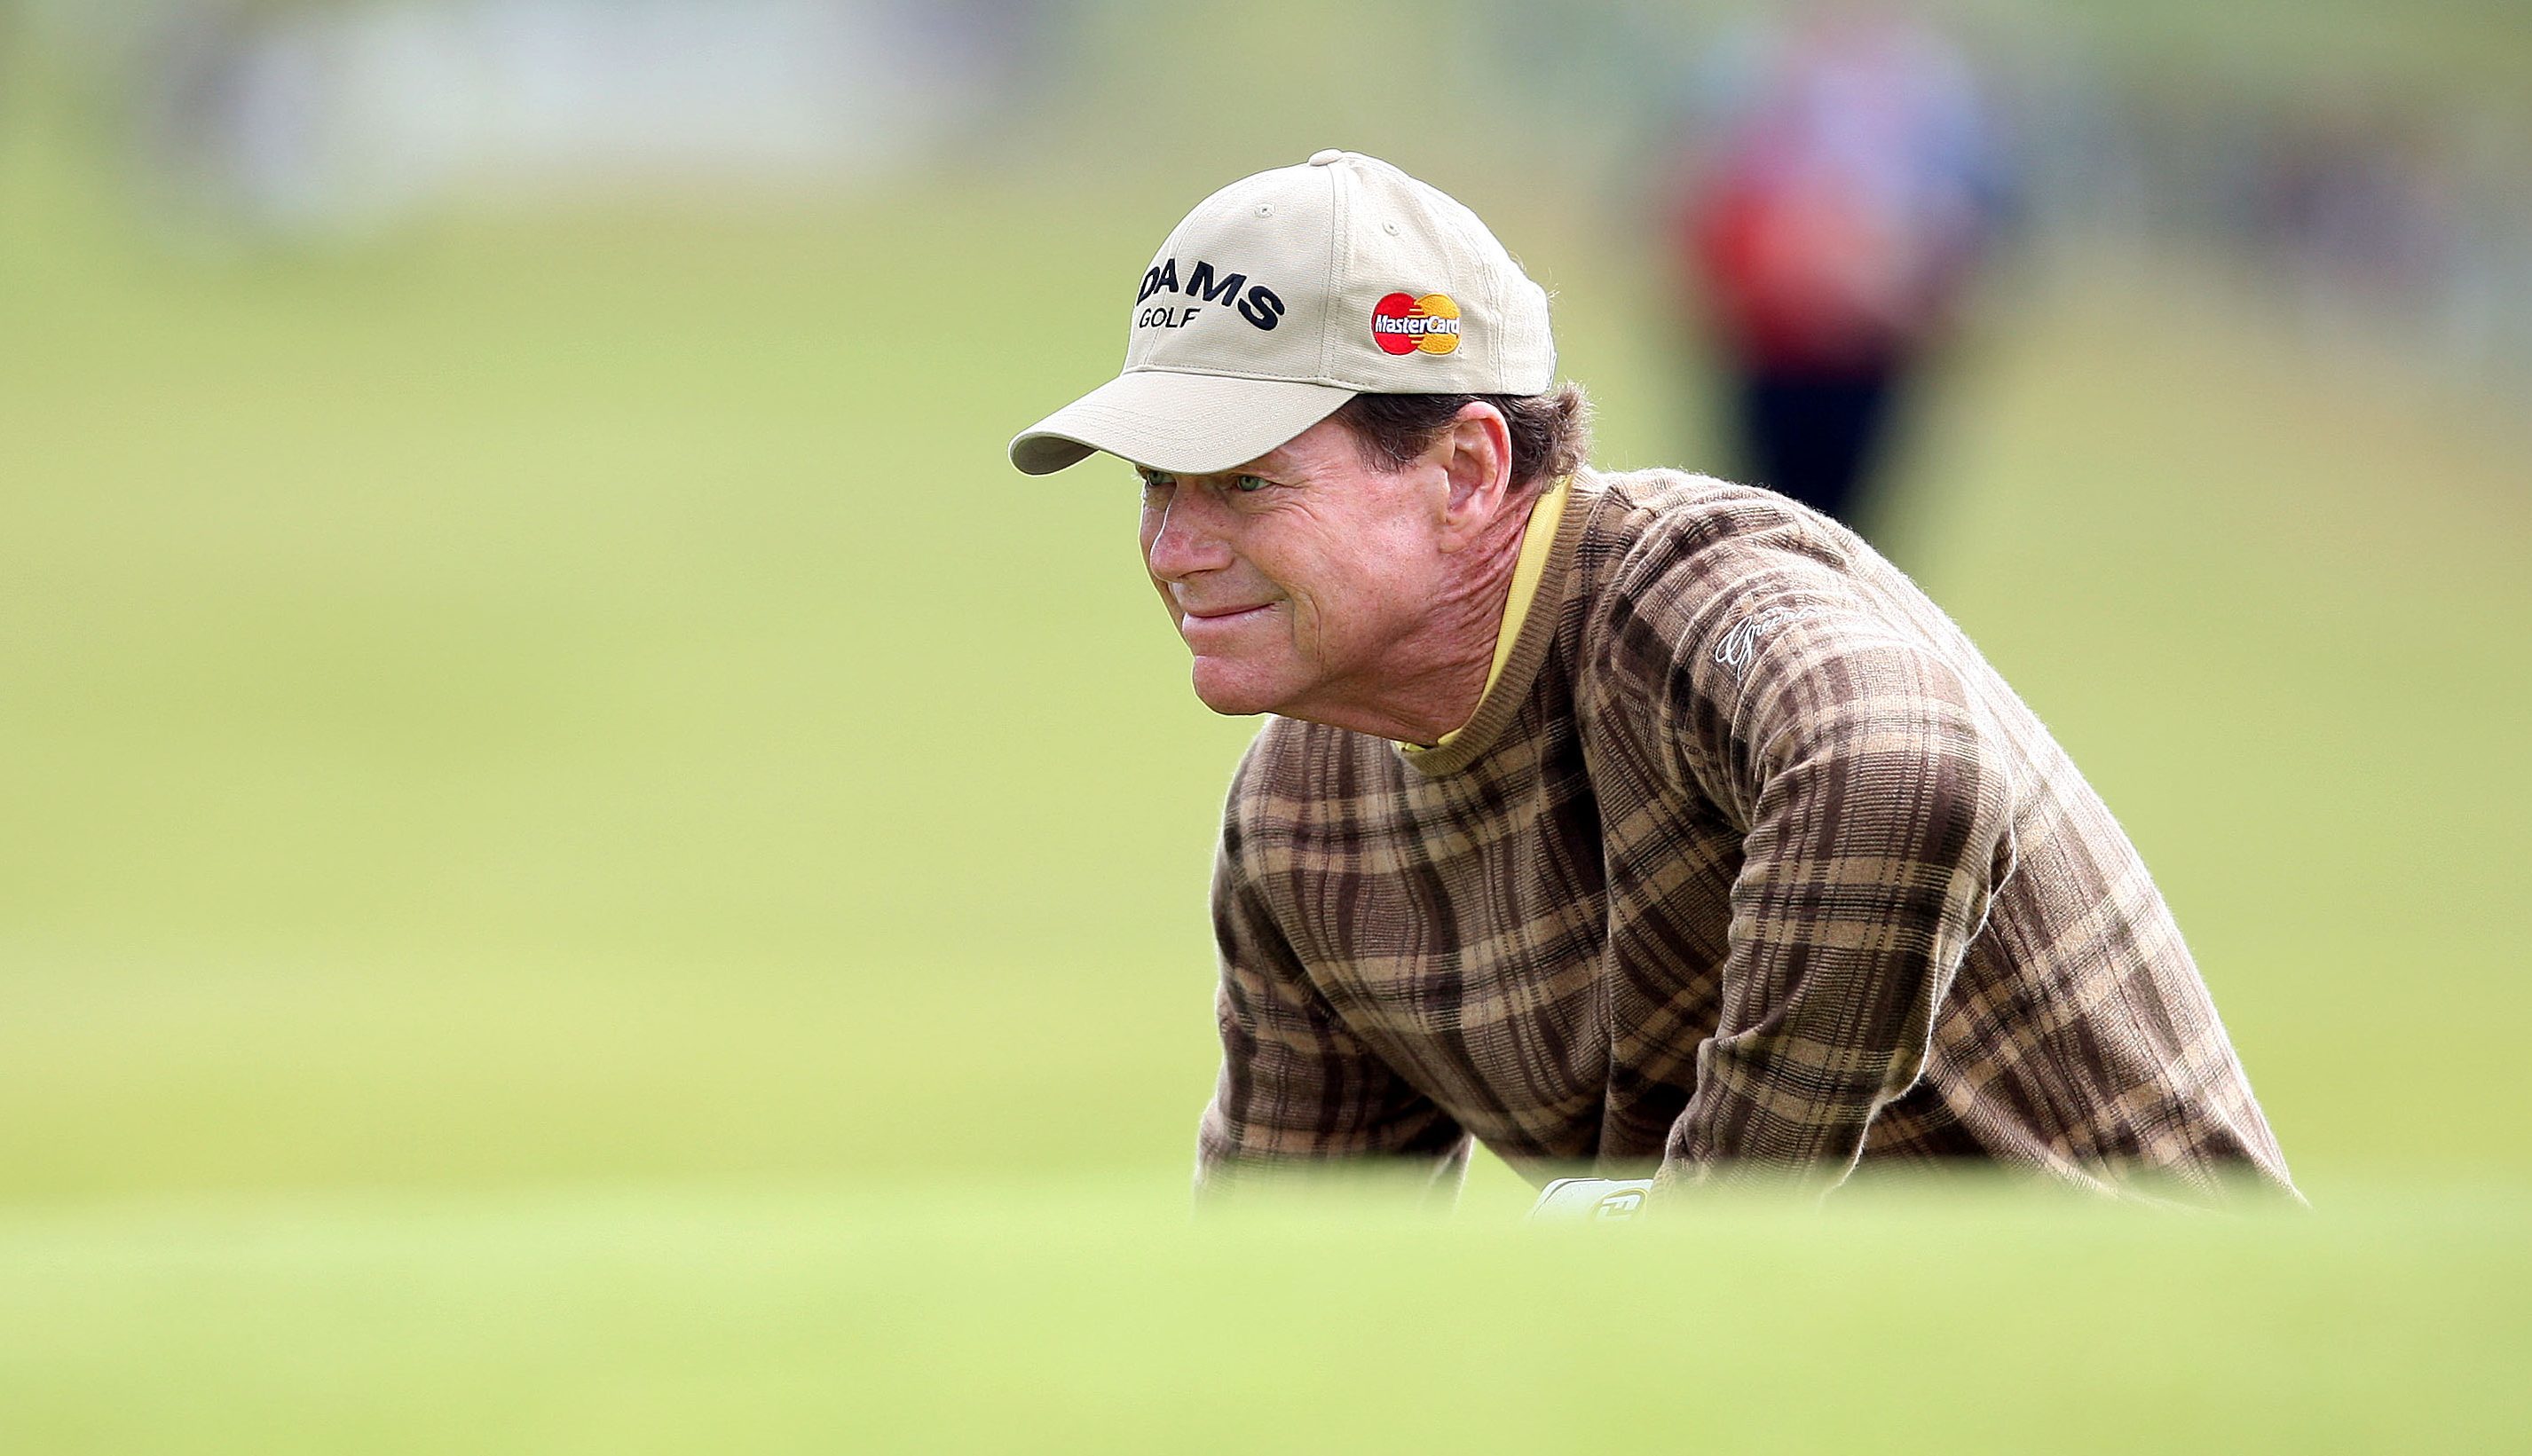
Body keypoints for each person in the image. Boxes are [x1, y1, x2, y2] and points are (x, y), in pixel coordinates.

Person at [1008, 149, 2295, 1210]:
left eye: (1243, 482)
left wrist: (1709, 1239)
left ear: (1465, 470)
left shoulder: (1690, 593)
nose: (1173, 550)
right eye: (1153, 486)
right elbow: (1286, 1287)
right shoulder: (1299, 818)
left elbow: (1901, 769)